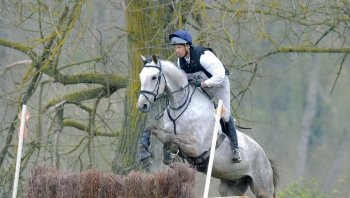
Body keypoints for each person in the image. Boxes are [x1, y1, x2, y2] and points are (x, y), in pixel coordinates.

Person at [169, 30, 242, 163]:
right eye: (176, 48)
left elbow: (220, 76)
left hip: (220, 86)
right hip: (204, 89)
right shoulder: (181, 63)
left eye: (179, 47)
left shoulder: (204, 56)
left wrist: (202, 83)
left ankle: (236, 149)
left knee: (223, 115)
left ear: (187, 46)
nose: (177, 51)